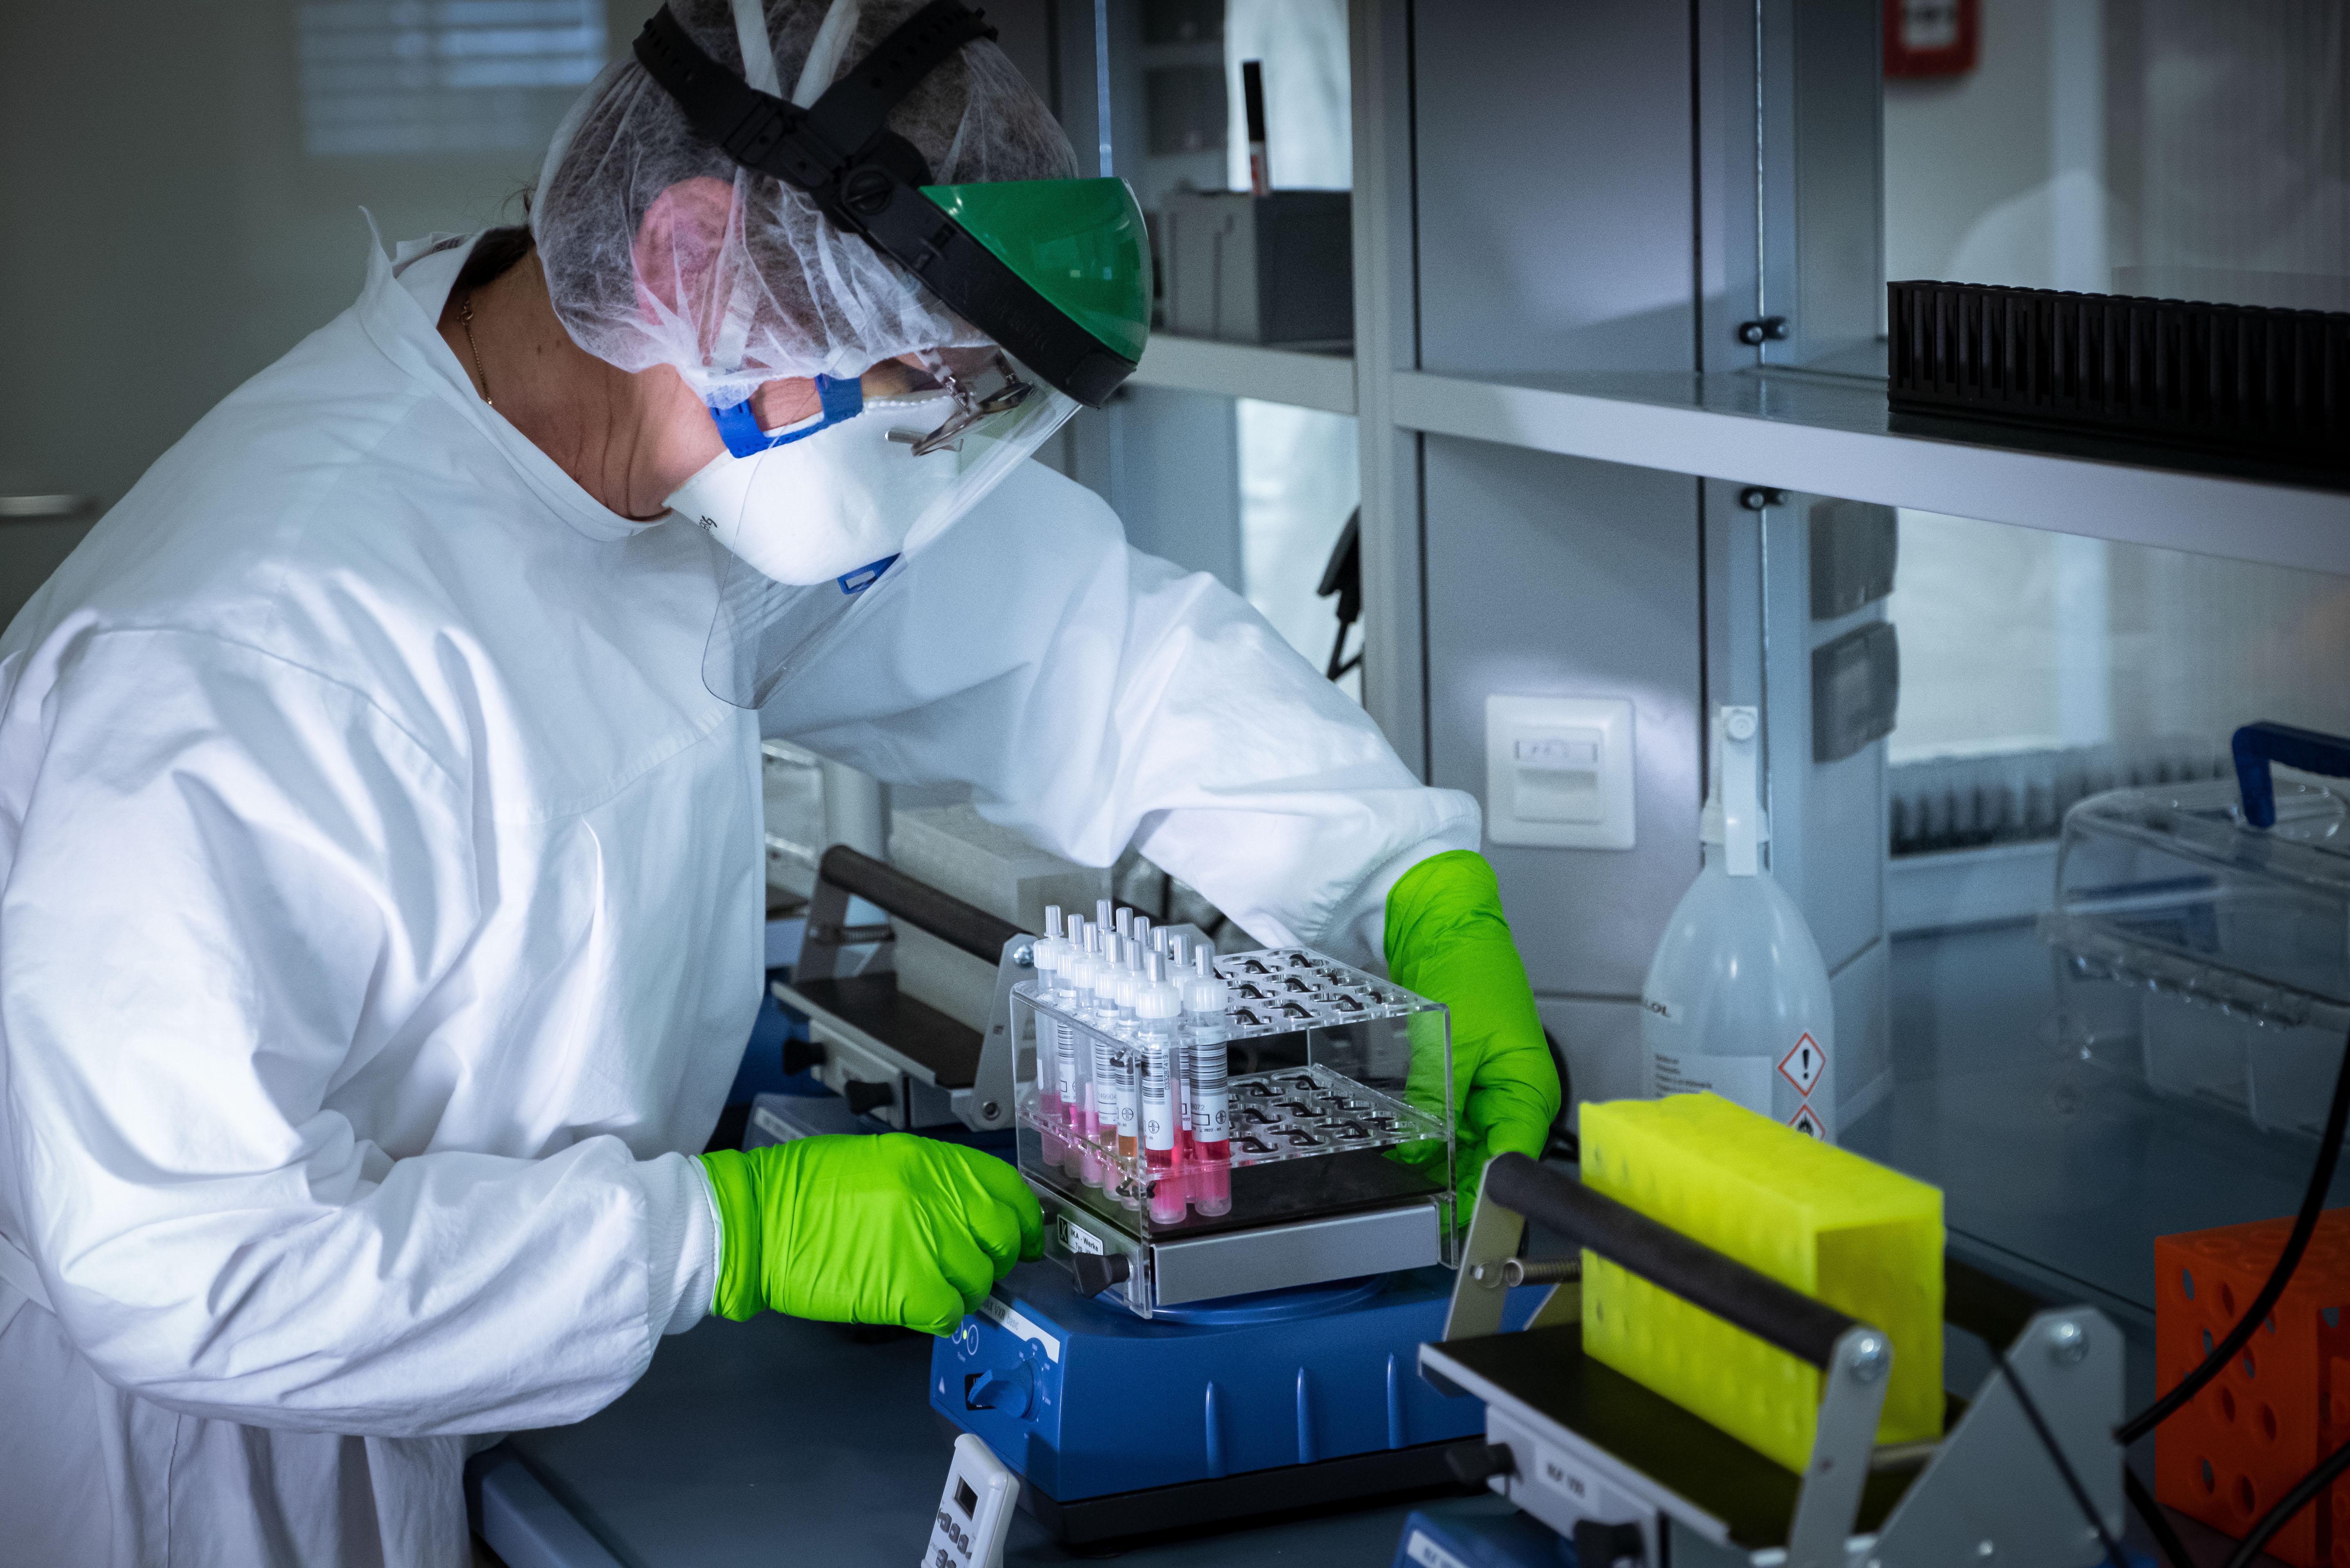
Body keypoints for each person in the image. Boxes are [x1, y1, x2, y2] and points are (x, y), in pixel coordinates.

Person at [0, 1, 1558, 1562]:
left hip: (496, 1398)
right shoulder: (244, 649)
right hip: (212, 1476)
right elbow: (179, 1258)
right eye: (920, 380)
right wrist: (727, 1236)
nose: (935, 438)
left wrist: (1407, 881)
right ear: (689, 254)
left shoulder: (687, 445)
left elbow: (1084, 651)